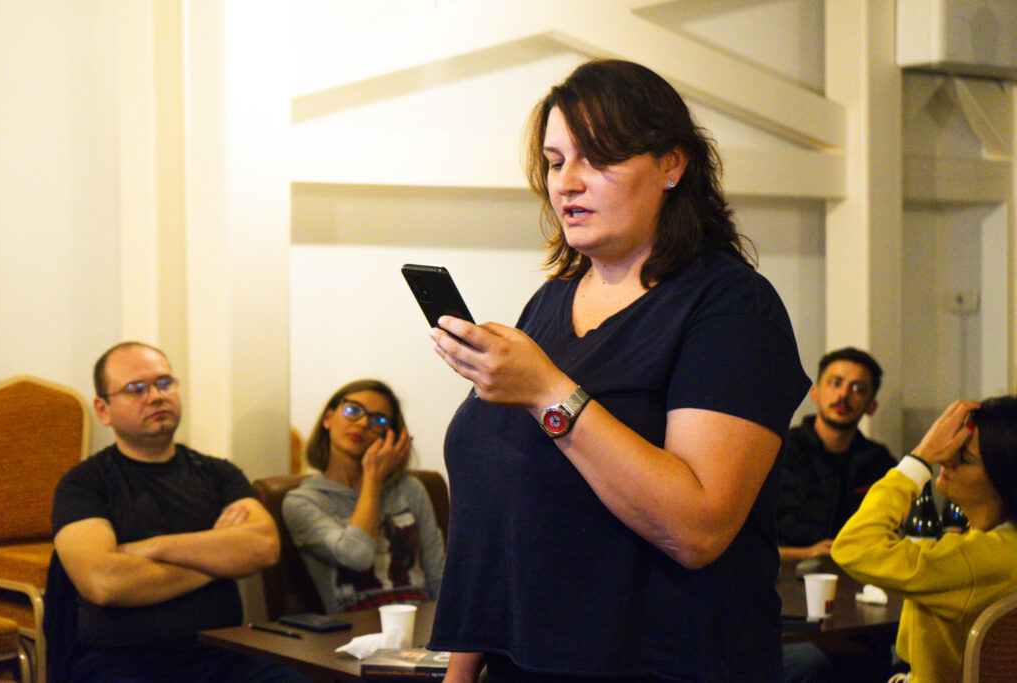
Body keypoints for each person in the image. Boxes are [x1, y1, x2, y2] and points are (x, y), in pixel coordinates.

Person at [425, 59, 810, 682]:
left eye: (597, 159)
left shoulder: (732, 307)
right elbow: (498, 508)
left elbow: (698, 528)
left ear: (671, 165)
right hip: (522, 662)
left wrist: (547, 392)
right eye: (555, 163)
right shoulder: (551, 303)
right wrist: (460, 669)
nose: (567, 184)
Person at [50, 341, 311, 682]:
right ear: (103, 410)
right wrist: (220, 558)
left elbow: (263, 547)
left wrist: (151, 548)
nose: (156, 397)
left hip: (222, 656)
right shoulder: (83, 483)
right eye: (136, 389)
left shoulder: (218, 473)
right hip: (122, 662)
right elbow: (104, 583)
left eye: (164, 383)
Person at [831, 397, 1017, 683]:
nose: (945, 459)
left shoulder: (977, 559)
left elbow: (854, 546)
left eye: (963, 457)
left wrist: (919, 459)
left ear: (1003, 479)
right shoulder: (996, 544)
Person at [282, 379, 444, 614]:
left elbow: (437, 572)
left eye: (378, 420)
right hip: (356, 624)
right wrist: (372, 479)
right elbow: (357, 556)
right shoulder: (302, 501)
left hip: (418, 616)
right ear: (328, 418)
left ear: (390, 435)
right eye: (353, 410)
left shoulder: (410, 489)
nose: (362, 423)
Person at [778, 347, 895, 562]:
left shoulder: (879, 462)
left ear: (871, 406)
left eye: (858, 389)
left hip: (856, 576)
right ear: (815, 393)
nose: (843, 395)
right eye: (835, 383)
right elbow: (745, 541)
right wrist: (806, 554)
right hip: (780, 575)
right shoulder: (779, 450)